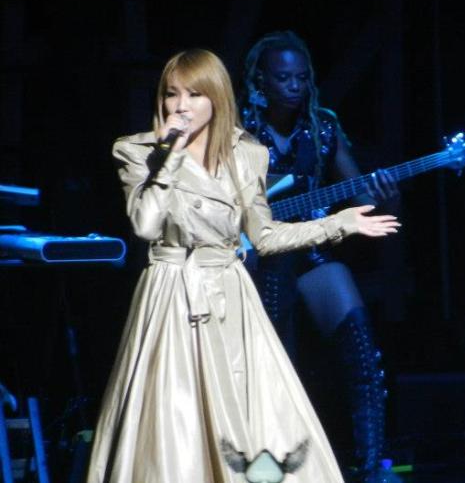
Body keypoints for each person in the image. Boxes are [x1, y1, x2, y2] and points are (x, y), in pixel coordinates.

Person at [88, 49, 399, 483]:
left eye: (194, 94)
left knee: (256, 410)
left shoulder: (247, 153)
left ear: (216, 97)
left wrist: (338, 224)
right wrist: (169, 156)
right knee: (176, 413)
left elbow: (265, 236)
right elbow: (145, 224)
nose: (180, 105)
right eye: (172, 94)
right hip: (173, 291)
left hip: (231, 295)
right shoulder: (137, 150)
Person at [239, 30, 399, 482]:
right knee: (276, 360)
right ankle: (270, 465)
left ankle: (371, 465)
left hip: (308, 248)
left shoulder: (323, 126)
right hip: (255, 258)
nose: (295, 86)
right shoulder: (238, 128)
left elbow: (360, 197)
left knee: (361, 347)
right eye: (283, 78)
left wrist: (382, 193)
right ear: (261, 81)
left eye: (302, 77)